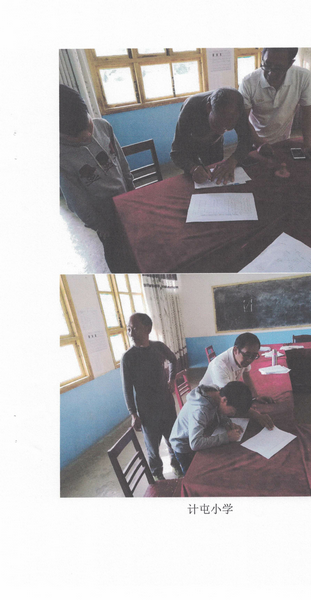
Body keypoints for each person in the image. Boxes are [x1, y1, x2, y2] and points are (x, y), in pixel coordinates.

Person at [59, 84, 137, 272]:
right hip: (104, 221)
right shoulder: (60, 157)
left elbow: (122, 163)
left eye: (88, 126)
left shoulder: (103, 126)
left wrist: (132, 193)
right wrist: (100, 225)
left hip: (127, 203)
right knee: (118, 257)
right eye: (78, 138)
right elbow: (76, 202)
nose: (87, 136)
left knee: (136, 244)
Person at [120, 313, 182, 480]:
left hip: (166, 404)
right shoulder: (128, 358)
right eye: (128, 329)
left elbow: (173, 359)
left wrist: (172, 379)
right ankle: (157, 476)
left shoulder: (158, 347)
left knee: (173, 439)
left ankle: (177, 466)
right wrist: (133, 414)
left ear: (147, 329)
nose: (130, 333)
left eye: (134, 328)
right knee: (152, 447)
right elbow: (127, 388)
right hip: (147, 410)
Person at [239, 48, 311, 162]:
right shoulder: (249, 82)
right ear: (262, 57)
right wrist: (258, 142)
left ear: (290, 64)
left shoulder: (303, 77)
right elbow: (242, 119)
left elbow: (307, 114)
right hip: (253, 140)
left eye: (278, 68)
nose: (271, 73)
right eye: (267, 65)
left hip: (283, 141)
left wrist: (308, 145)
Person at [170, 87, 252, 185]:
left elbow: (247, 139)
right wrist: (193, 168)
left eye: (228, 128)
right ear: (209, 108)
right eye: (217, 124)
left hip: (215, 145)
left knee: (215, 173)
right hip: (191, 145)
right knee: (196, 178)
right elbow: (177, 152)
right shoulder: (191, 109)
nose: (221, 131)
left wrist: (233, 160)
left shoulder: (237, 110)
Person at [169, 381, 253, 475]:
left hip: (201, 434)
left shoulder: (217, 393)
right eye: (232, 412)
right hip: (184, 446)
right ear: (224, 400)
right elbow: (195, 443)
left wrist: (227, 422)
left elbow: (217, 410)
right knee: (192, 475)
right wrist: (226, 437)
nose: (233, 415)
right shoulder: (199, 411)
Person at [199, 332, 276, 429]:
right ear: (235, 350)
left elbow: (246, 374)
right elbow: (230, 396)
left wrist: (256, 396)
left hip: (225, 398)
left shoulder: (242, 357)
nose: (250, 360)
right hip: (208, 405)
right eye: (247, 355)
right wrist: (256, 415)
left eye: (254, 356)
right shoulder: (219, 366)